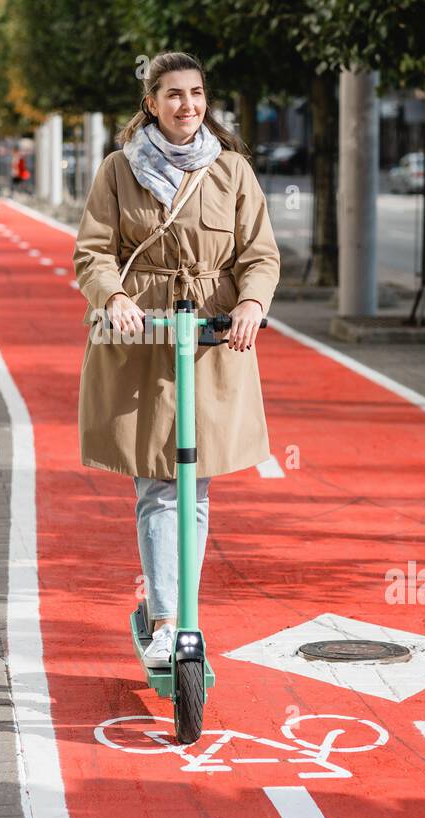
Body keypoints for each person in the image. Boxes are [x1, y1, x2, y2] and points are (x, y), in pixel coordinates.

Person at [72, 51, 280, 665]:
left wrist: (249, 305)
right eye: (173, 94)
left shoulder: (233, 171)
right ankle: (168, 620)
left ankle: (172, 608)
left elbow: (260, 255)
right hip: (142, 340)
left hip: (212, 343)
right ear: (151, 104)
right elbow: (93, 252)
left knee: (195, 483)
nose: (187, 105)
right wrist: (112, 298)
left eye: (196, 93)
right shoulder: (118, 170)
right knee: (159, 483)